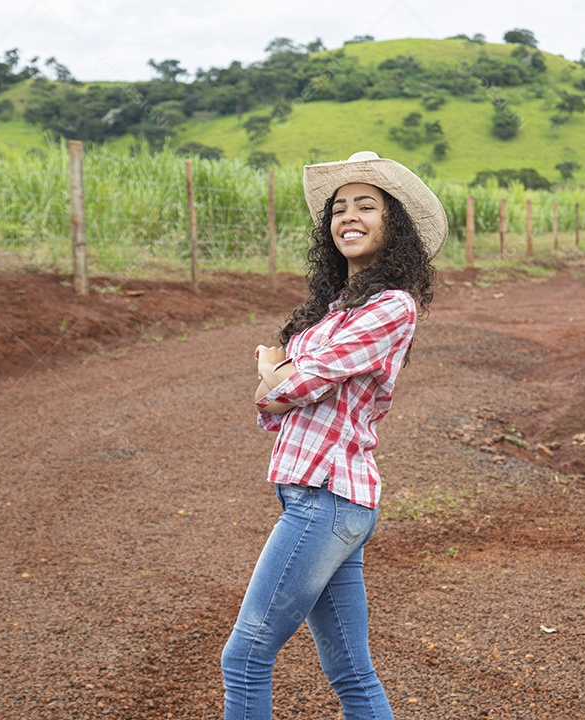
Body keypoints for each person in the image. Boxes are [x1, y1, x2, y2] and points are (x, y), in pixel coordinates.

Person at [221, 150, 447, 719]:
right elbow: (287, 397)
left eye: (366, 206)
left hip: (326, 499)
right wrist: (281, 381)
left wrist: (275, 375)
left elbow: (296, 385)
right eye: (338, 207)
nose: (348, 215)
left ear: (393, 224)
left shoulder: (393, 306)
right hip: (324, 497)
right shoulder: (334, 312)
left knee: (244, 659)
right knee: (350, 669)